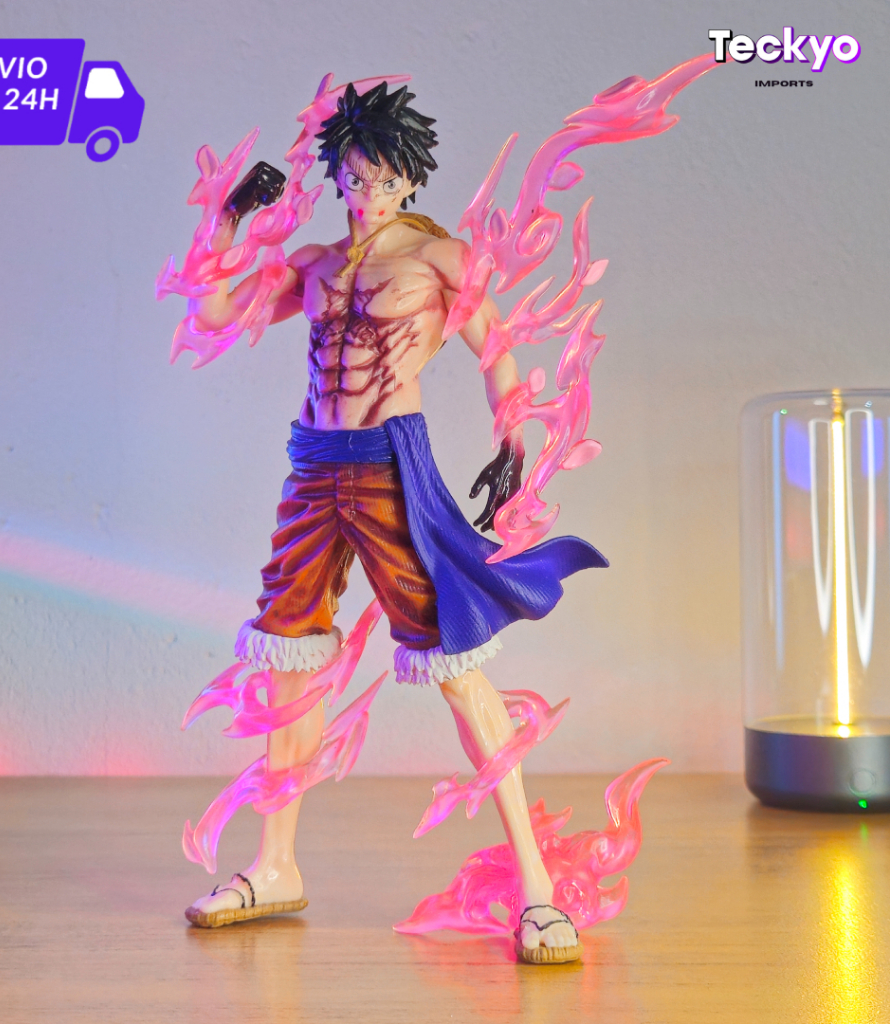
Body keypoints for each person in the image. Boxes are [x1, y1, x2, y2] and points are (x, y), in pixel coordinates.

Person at [182, 82, 605, 965]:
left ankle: (535, 888)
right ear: (336, 171)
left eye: (384, 173)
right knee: (289, 654)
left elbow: (495, 347)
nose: (368, 186)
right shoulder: (314, 263)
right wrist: (227, 220)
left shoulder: (439, 259)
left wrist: (513, 442)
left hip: (388, 465)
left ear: (410, 177)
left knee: (455, 654)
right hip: (313, 466)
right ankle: (275, 865)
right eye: (354, 171)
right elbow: (214, 312)